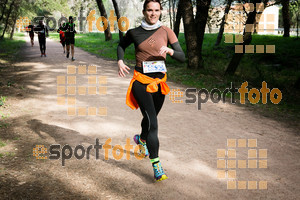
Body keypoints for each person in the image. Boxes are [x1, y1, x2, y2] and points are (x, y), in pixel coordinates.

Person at [117, 0, 185, 181]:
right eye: (149, 10)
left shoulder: (167, 31)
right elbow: (121, 46)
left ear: (161, 12)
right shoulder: (134, 32)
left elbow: (182, 57)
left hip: (159, 83)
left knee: (150, 119)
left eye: (156, 10)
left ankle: (141, 139)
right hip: (141, 82)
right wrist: (120, 60)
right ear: (144, 11)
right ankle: (156, 165)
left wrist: (170, 51)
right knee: (153, 122)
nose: (153, 13)